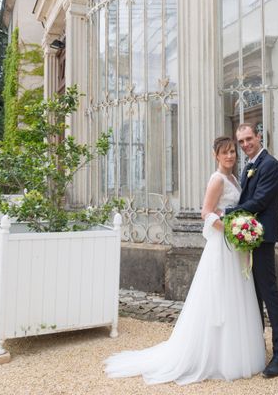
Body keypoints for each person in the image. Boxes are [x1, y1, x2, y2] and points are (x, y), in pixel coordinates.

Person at [103, 136, 265, 385]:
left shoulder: (235, 178)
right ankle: (212, 356)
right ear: (216, 156)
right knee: (219, 296)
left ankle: (236, 351)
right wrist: (232, 230)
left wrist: (241, 230)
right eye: (225, 152)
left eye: (233, 151)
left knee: (236, 296)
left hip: (234, 248)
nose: (230, 156)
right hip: (222, 247)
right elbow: (206, 213)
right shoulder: (217, 179)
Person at [225, 123, 278, 378]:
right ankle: (256, 347)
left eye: (248, 139)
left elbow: (260, 201)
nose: (245, 144)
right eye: (241, 142)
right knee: (252, 296)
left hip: (262, 238)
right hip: (247, 235)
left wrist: (228, 214)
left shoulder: (270, 165)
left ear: (258, 137)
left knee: (269, 293)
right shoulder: (248, 166)